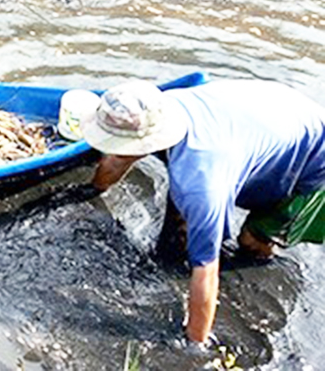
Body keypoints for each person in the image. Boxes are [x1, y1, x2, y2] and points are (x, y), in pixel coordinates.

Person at [81, 79, 325, 344]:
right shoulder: (162, 107)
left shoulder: (200, 182)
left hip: (313, 156)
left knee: (252, 241)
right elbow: (120, 155)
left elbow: (206, 270)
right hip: (268, 120)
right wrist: (91, 192)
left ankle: (249, 274)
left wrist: (195, 345)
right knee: (180, 231)